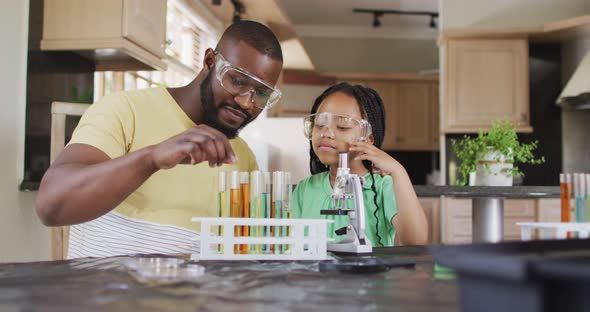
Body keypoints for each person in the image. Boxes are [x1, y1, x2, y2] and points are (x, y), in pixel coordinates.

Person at [35, 21, 284, 258]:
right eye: (237, 80)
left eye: (261, 93)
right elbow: (51, 206)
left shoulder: (244, 159)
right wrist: (151, 158)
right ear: (209, 61)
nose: (246, 102)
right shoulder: (125, 110)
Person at [291, 83, 428, 246]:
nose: (326, 133)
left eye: (342, 126)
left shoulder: (384, 187)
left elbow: (416, 241)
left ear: (368, 138)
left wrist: (399, 171)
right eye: (320, 125)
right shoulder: (304, 189)